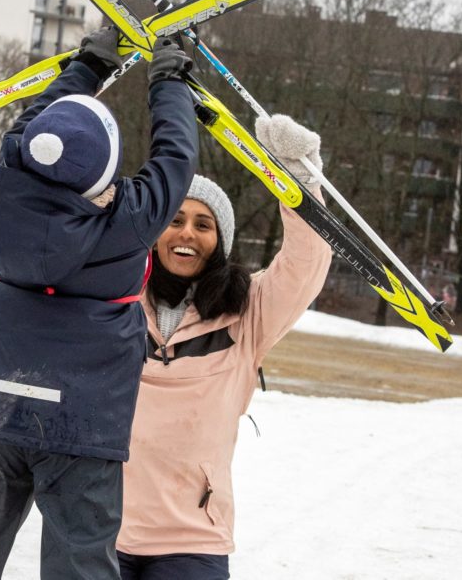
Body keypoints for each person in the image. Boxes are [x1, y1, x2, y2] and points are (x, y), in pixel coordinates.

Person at [0, 27, 198, 580]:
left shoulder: (9, 189)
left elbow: (32, 125)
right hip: (83, 423)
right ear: (105, 172)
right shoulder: (128, 219)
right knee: (80, 559)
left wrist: (87, 66)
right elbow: (175, 157)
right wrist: (169, 84)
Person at [117, 116, 334, 580]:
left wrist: (299, 174)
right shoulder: (115, 300)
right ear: (154, 233)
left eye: (203, 224)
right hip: (99, 528)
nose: (187, 234)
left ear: (220, 242)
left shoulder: (247, 313)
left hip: (192, 539)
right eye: (173, 220)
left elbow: (306, 264)